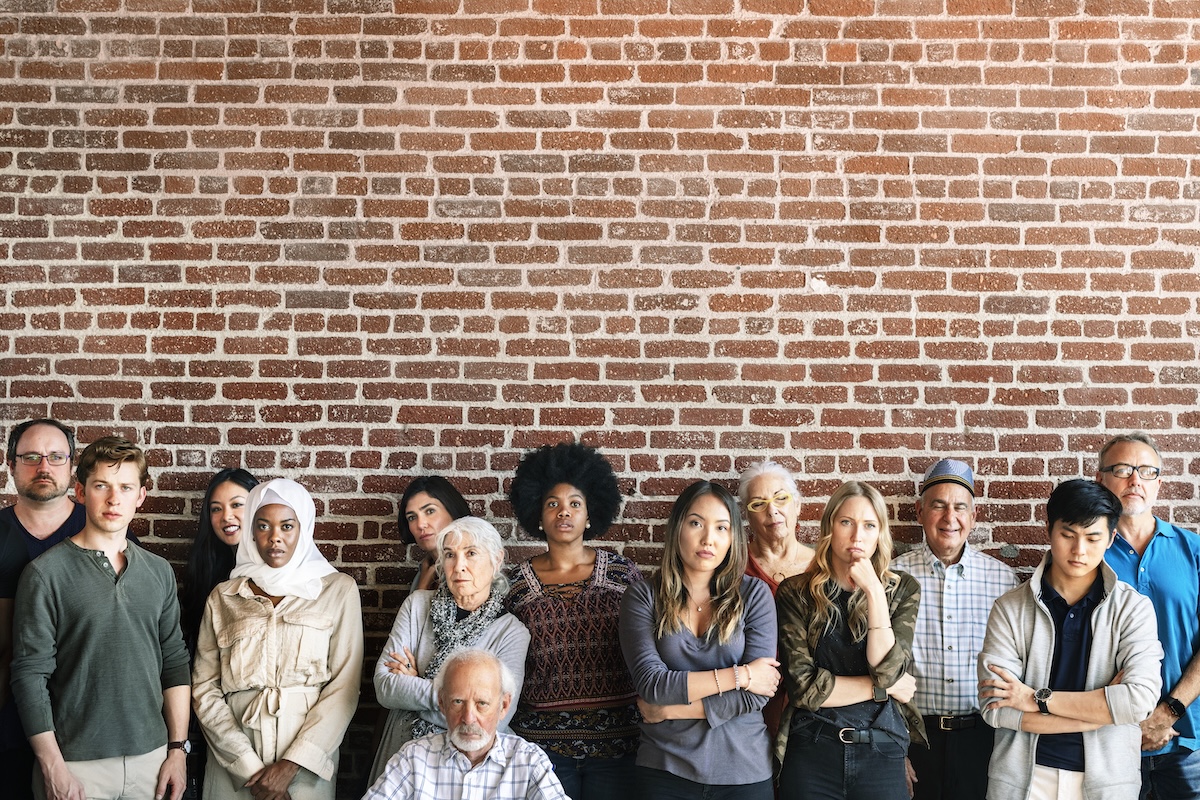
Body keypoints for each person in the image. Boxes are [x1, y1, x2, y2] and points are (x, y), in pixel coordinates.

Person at [11, 435, 191, 800]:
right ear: (80, 492)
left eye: (126, 487)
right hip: (76, 764)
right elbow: (30, 675)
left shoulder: (159, 572)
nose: (114, 499)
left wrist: (176, 750)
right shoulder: (45, 574)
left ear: (140, 496)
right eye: (101, 486)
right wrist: (52, 766)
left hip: (152, 760)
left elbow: (174, 663)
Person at [978, 478, 1163, 800]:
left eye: (1093, 538)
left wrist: (1037, 699)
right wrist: (1100, 716)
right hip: (1022, 780)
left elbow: (1138, 701)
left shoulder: (1134, 608)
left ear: (1111, 539)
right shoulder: (1009, 608)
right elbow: (997, 709)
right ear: (1049, 529)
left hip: (1108, 783)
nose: (1079, 551)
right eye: (1068, 535)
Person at [192, 478, 363, 800]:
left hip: (307, 760)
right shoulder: (224, 596)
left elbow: (344, 686)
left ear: (304, 528)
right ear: (250, 531)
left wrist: (291, 765)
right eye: (263, 526)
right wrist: (248, 769)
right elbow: (204, 688)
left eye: (287, 526)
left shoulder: (336, 590)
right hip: (233, 762)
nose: (275, 538)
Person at [619, 480, 780, 800]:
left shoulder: (755, 594)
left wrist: (670, 711)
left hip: (744, 770)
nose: (709, 538)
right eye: (696, 523)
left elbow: (758, 697)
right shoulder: (643, 596)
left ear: (732, 537)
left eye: (722, 527)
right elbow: (652, 685)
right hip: (664, 768)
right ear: (677, 528)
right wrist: (742, 675)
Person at [506, 442, 643, 799]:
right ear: (537, 513)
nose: (563, 512)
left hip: (618, 745)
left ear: (590, 514)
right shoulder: (514, 585)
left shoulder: (623, 574)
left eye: (574, 504)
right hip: (540, 747)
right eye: (553, 504)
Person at [775, 480, 924, 800]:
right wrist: (880, 689)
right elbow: (803, 688)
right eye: (847, 522)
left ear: (880, 533)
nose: (858, 535)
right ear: (830, 527)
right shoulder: (795, 593)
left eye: (869, 525)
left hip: (881, 749)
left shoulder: (903, 590)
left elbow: (885, 669)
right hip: (813, 747)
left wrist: (873, 592)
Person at [369, 516, 530, 783]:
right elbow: (385, 687)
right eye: (450, 555)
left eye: (471, 553)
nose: (459, 566)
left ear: (497, 560)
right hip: (400, 757)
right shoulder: (417, 607)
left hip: (468, 771)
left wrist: (416, 686)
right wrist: (462, 700)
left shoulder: (512, 633)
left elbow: (495, 721)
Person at [892, 459, 1018, 800]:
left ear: (973, 517)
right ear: (919, 512)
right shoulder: (892, 577)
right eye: (938, 506)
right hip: (913, 739)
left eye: (960, 507)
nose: (950, 518)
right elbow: (876, 667)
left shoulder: (1002, 580)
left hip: (982, 739)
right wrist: (894, 750)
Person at [1095, 433, 1200, 800]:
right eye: (1122, 469)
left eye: (1146, 471)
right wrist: (1126, 715)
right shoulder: (1085, 554)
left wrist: (1168, 711)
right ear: (1101, 480)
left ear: (1159, 483)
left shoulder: (1194, 551)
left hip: (1187, 742)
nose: (1135, 480)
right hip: (1107, 740)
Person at [0, 419, 86, 799]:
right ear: (10, 463)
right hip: (7, 723)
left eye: (55, 457)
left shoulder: (104, 530)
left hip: (82, 721)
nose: (44, 467)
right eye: (31, 457)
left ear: (71, 465)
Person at [363, 649, 568, 800]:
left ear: (503, 706)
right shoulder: (414, 757)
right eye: (458, 702)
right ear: (442, 704)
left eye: (482, 704)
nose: (469, 718)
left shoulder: (528, 761)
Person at [179, 468, 259, 800]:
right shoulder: (205, 571)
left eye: (237, 505)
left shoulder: (286, 576)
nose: (226, 516)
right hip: (211, 718)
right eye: (216, 508)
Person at [737, 458, 814, 741]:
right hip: (749, 701)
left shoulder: (823, 566)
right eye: (759, 503)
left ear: (797, 505)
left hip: (813, 702)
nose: (772, 510)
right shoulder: (733, 566)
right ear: (747, 514)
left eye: (781, 498)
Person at [398, 476, 471, 593]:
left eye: (430, 511)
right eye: (412, 517)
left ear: (453, 510)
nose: (420, 524)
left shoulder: (474, 571)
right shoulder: (423, 573)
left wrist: (420, 593)